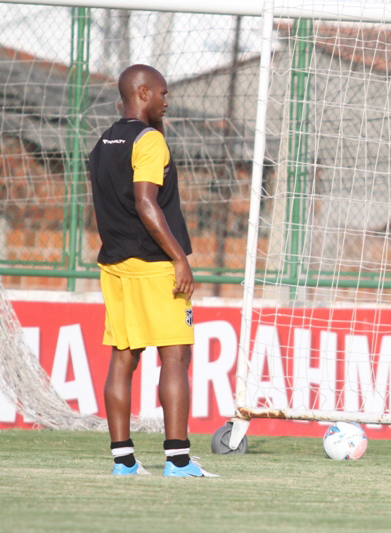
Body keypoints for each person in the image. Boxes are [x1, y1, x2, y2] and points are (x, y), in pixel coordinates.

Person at [88, 64, 215, 477]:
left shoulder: (104, 142)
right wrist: (179, 257)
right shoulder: (150, 141)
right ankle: (178, 459)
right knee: (176, 355)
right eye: (162, 93)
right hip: (154, 263)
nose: (167, 100)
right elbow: (145, 203)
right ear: (143, 93)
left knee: (123, 357)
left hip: (115, 263)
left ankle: (123, 461)